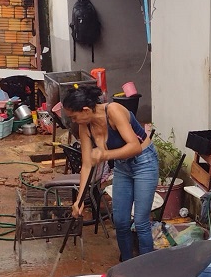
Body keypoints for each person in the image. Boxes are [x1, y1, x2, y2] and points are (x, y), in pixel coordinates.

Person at [62, 85, 158, 261]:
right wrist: (79, 200)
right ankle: (127, 265)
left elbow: (134, 147)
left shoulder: (113, 111)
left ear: (85, 110)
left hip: (144, 162)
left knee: (141, 221)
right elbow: (86, 164)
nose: (74, 121)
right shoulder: (85, 127)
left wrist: (105, 154)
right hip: (123, 167)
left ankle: (147, 268)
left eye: (74, 117)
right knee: (120, 221)